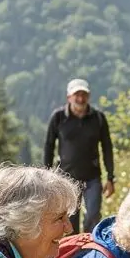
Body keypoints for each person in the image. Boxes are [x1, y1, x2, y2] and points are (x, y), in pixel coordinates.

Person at [43, 79, 115, 233]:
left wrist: (110, 177)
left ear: (88, 96)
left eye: (84, 95)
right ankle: (73, 247)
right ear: (69, 97)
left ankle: (88, 243)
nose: (81, 99)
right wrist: (46, 175)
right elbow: (49, 146)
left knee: (93, 216)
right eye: (77, 95)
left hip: (92, 177)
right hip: (66, 178)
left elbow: (107, 147)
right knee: (70, 220)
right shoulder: (58, 117)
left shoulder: (98, 118)